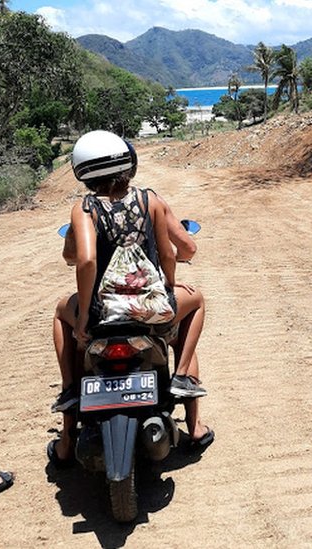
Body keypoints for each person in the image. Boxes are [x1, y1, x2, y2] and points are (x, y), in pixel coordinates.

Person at [49, 131, 213, 465]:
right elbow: (174, 251)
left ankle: (68, 414)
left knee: (58, 311)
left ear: (82, 170)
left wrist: (82, 318)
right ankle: (189, 408)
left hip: (101, 313)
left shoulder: (84, 209)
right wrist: (167, 286)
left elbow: (84, 260)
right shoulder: (150, 200)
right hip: (151, 309)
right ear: (127, 163)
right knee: (194, 304)